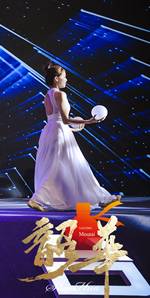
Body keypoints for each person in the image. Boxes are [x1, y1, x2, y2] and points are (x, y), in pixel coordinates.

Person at [27, 63, 122, 212]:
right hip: (59, 132)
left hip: (50, 131)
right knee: (70, 166)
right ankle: (37, 199)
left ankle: (102, 198)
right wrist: (89, 121)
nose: (66, 80)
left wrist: (72, 129)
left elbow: (56, 120)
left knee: (61, 167)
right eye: (64, 77)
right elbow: (65, 120)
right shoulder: (60, 94)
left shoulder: (47, 95)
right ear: (56, 79)